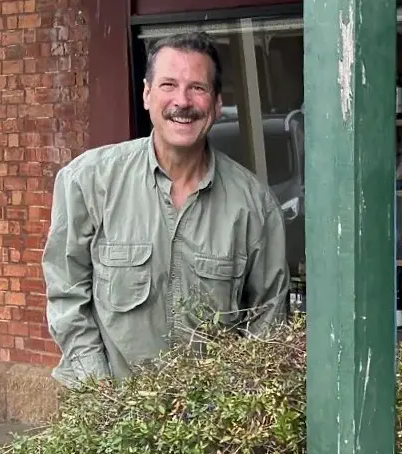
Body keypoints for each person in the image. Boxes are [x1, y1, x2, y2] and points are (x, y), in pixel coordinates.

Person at [43, 32, 289, 387]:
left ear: (217, 103)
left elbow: (267, 322)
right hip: (109, 419)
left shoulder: (255, 206)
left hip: (209, 429)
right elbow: (67, 295)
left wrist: (231, 415)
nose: (182, 101)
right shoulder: (88, 182)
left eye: (198, 88)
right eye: (169, 84)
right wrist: (100, 395)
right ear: (146, 94)